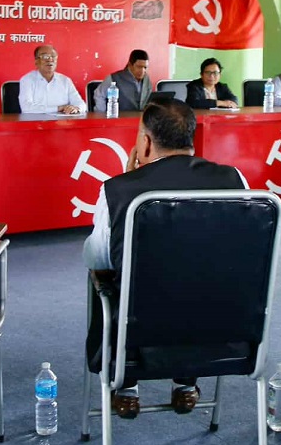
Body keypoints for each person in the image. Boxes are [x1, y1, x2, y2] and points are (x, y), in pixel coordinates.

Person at [82, 99, 248, 419]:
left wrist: (127, 184)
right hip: (224, 330)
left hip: (141, 334)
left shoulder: (118, 190)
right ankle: (186, 381)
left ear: (145, 142)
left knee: (105, 276)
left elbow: (98, 257)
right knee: (201, 271)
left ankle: (125, 384)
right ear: (190, 139)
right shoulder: (234, 179)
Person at [18, 45, 85, 114]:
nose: (50, 59)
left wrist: (76, 108)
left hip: (62, 120)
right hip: (36, 120)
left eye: (53, 56)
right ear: (36, 61)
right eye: (45, 56)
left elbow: (81, 104)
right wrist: (58, 108)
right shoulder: (27, 80)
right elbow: (26, 108)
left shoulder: (65, 80)